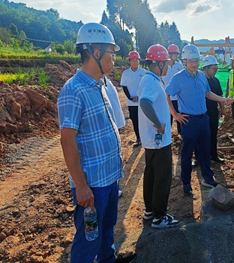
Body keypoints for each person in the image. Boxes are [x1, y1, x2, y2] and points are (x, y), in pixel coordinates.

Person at [57, 22, 135, 262]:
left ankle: (108, 259)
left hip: (109, 178)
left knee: (107, 227)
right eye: (111, 54)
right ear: (96, 52)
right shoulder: (74, 90)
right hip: (92, 185)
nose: (114, 60)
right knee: (88, 239)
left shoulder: (100, 85)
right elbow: (67, 142)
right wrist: (81, 185)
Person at [165, 44, 234, 196]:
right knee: (187, 153)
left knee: (205, 151)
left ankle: (208, 179)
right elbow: (167, 95)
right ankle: (186, 182)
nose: (194, 64)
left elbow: (208, 94)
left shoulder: (202, 76)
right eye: (190, 61)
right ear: (184, 61)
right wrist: (175, 114)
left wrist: (223, 100)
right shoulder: (178, 78)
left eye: (196, 60)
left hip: (204, 119)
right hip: (189, 121)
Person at [137, 44, 181, 228]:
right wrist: (158, 124)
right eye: (166, 63)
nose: (168, 66)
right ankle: (159, 217)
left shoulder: (149, 79)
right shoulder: (151, 82)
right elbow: (145, 103)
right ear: (159, 63)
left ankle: (150, 210)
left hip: (151, 140)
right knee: (162, 177)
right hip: (158, 140)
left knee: (151, 174)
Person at [202, 55, 225, 163]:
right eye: (213, 69)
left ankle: (213, 155)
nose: (215, 71)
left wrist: (222, 110)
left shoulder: (216, 81)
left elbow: (220, 97)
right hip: (201, 113)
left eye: (216, 69)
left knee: (213, 135)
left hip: (213, 112)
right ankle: (199, 158)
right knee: (201, 136)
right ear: (206, 68)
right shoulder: (200, 81)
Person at [121, 51, 146, 147]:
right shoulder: (126, 73)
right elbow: (124, 86)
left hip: (142, 102)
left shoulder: (143, 72)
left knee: (143, 120)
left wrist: (140, 97)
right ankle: (138, 138)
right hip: (131, 103)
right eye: (133, 60)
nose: (135, 62)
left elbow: (145, 86)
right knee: (135, 120)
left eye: (136, 60)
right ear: (129, 61)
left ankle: (145, 138)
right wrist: (130, 97)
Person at [162, 44, 184, 133]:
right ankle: (168, 133)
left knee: (179, 115)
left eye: (177, 54)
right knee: (168, 116)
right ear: (169, 54)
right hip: (167, 96)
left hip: (177, 96)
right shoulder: (164, 66)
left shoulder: (179, 66)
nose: (176, 56)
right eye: (174, 54)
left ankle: (180, 133)